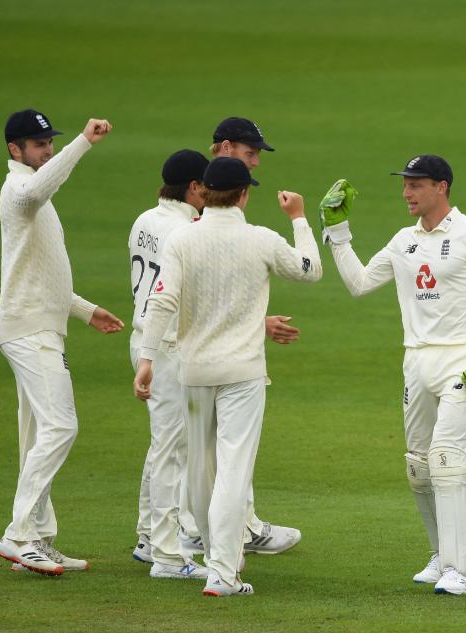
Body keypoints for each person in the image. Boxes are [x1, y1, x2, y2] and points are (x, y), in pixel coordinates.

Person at [321, 155, 466, 594]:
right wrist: (338, 232)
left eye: (416, 185)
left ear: (442, 187)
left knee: (447, 459)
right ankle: (440, 555)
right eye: (405, 184)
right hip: (416, 362)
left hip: (462, 360)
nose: (407, 193)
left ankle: (460, 572)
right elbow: (358, 284)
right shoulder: (402, 241)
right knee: (419, 467)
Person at [134, 157, 321, 597]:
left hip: (193, 371)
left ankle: (218, 559)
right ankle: (222, 571)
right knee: (233, 469)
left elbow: (161, 302)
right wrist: (298, 219)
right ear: (242, 194)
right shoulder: (260, 239)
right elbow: (310, 271)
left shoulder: (181, 238)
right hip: (242, 375)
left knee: (199, 469)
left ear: (206, 192)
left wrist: (147, 359)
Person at [0, 109, 124, 576]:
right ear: (15, 150)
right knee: (61, 426)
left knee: (36, 436)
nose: (46, 149)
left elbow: (43, 274)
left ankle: (39, 539)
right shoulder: (20, 192)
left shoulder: (34, 198)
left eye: (50, 142)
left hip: (36, 323)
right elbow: (37, 187)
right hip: (29, 330)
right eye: (38, 143)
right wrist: (83, 143)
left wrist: (86, 312)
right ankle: (18, 535)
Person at [209, 116, 303, 555]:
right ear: (225, 147)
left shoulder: (199, 210)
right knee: (213, 456)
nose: (255, 165)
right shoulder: (204, 208)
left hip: (195, 355)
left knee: (199, 454)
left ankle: (238, 529)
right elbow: (308, 269)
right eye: (250, 155)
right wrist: (299, 221)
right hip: (220, 357)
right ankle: (180, 543)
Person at [128, 150, 211, 579]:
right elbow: (187, 298)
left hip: (144, 342)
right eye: (208, 185)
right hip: (168, 347)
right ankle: (166, 554)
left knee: (164, 443)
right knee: (172, 451)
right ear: (194, 187)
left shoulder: (145, 220)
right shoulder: (185, 232)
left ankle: (148, 537)